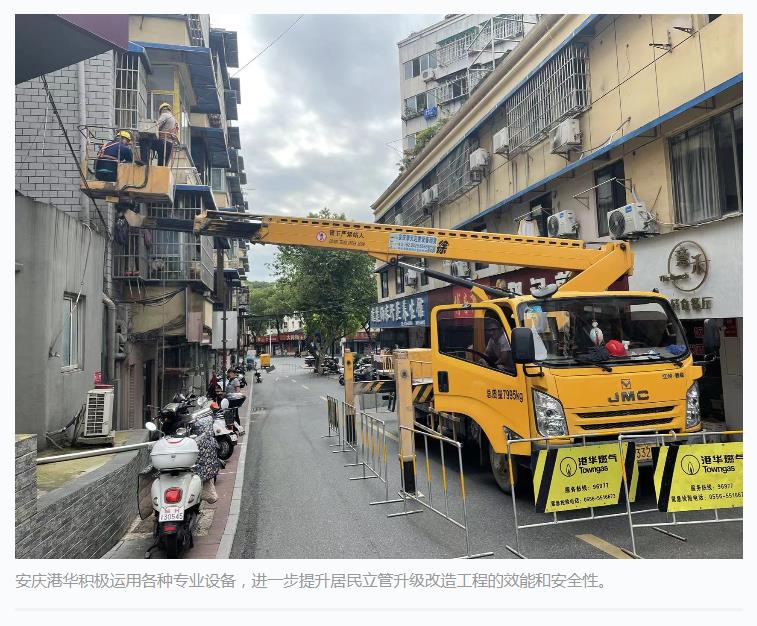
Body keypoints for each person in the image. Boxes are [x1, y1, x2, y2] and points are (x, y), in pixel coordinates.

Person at [191, 413, 220, 503]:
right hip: (209, 469)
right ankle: (211, 496)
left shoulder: (197, 442)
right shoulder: (210, 439)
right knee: (207, 483)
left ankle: (209, 496)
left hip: (201, 470)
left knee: (204, 485)